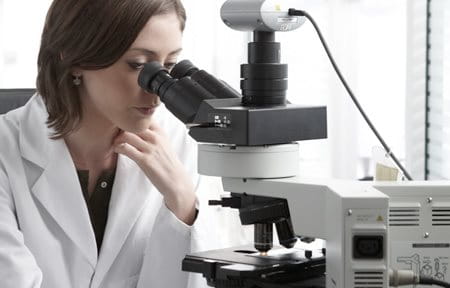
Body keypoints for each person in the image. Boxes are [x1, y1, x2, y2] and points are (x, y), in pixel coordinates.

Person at [0, 0, 247, 287]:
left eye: (168, 66)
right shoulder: (6, 150)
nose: (156, 88)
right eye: (139, 65)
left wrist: (182, 203)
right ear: (75, 59)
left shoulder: (180, 147)